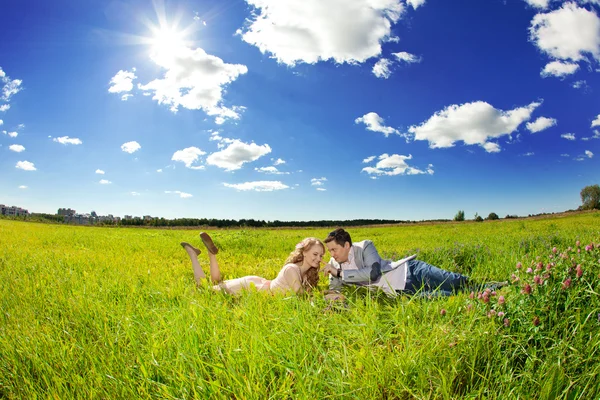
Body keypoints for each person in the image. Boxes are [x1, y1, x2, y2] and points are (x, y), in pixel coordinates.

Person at [321, 228, 503, 297]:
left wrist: (341, 274)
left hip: (412, 271)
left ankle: (493, 287)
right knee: (448, 295)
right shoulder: (334, 264)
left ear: (346, 245)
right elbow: (335, 290)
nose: (332, 255)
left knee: (454, 280)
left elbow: (373, 273)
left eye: (334, 250)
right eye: (330, 251)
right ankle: (483, 295)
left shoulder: (365, 246)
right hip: (403, 292)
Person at [181, 232, 324, 295]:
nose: (318, 258)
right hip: (252, 288)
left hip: (259, 284)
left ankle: (211, 254)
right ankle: (193, 254)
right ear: (304, 252)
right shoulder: (292, 269)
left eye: (321, 255)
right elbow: (300, 294)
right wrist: (325, 296)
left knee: (217, 284)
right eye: (315, 254)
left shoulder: (307, 272)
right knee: (204, 290)